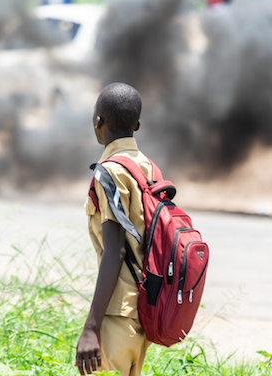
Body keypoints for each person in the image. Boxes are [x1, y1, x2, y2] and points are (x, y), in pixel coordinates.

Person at [75, 83, 152, 376]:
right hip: (143, 312)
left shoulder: (110, 172)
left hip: (118, 315)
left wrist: (91, 328)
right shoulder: (146, 167)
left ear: (98, 122)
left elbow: (115, 250)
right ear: (137, 125)